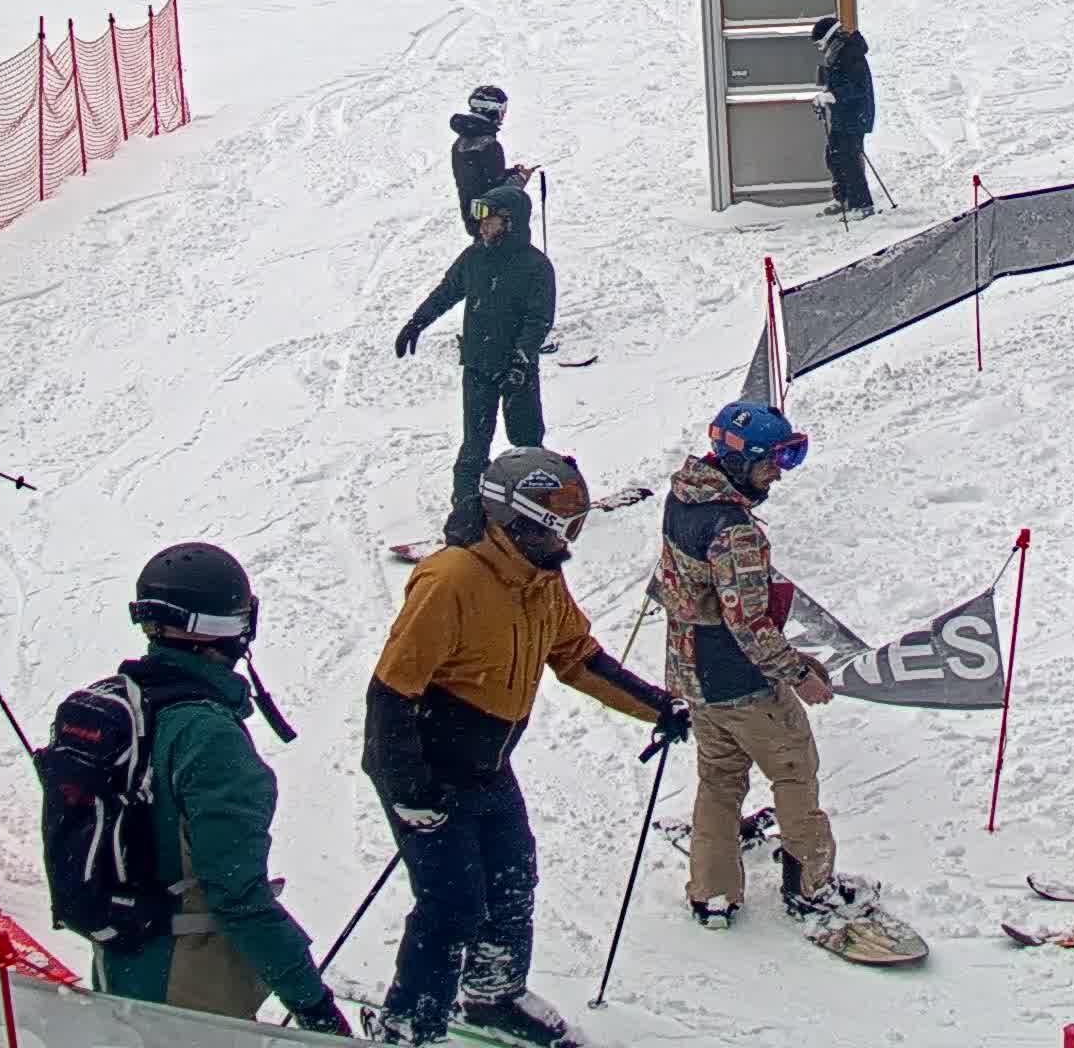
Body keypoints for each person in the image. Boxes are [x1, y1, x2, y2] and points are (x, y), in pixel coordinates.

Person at [364, 449, 690, 1046]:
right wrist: (409, 789)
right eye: (560, 522)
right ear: (515, 519)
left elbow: (576, 657)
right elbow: (391, 692)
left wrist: (657, 705)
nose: (569, 535)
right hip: (430, 770)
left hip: (489, 767)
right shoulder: (451, 579)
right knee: (452, 904)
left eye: (575, 521)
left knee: (513, 882)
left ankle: (493, 995)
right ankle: (408, 1023)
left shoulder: (540, 578)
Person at [102, 543, 352, 1033]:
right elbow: (238, 896)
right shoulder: (209, 738)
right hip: (188, 985)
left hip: (120, 963)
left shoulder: (124, 704)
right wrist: (314, 1005)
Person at [660, 402, 864, 934]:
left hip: (694, 674)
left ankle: (712, 891)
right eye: (773, 460)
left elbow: (678, 585)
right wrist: (796, 675)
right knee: (794, 771)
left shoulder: (684, 496)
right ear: (738, 459)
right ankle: (811, 887)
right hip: (743, 681)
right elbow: (748, 621)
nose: (779, 472)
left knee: (719, 779)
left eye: (788, 457)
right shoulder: (734, 530)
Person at [393, 183, 558, 549]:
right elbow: (446, 292)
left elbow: (539, 319)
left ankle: (536, 515)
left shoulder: (535, 266)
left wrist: (521, 359)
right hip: (479, 368)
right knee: (474, 449)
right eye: (481, 220)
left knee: (527, 444)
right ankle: (464, 521)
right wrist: (416, 323)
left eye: (490, 219)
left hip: (517, 373)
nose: (483, 226)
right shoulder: (474, 258)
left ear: (510, 222)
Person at [448, 84, 537, 238]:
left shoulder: (461, 142)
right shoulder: (489, 145)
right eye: (503, 109)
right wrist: (521, 178)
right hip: (493, 224)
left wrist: (512, 172)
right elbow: (499, 193)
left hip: (475, 217)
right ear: (491, 109)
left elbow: (480, 180)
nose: (504, 114)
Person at [812, 14, 875, 219]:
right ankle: (844, 198)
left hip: (856, 115)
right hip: (844, 114)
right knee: (834, 155)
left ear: (829, 38)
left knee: (849, 158)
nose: (819, 49)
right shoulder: (837, 53)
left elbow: (858, 87)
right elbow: (838, 83)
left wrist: (832, 96)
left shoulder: (850, 53)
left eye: (819, 44)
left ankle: (863, 205)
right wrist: (824, 98)